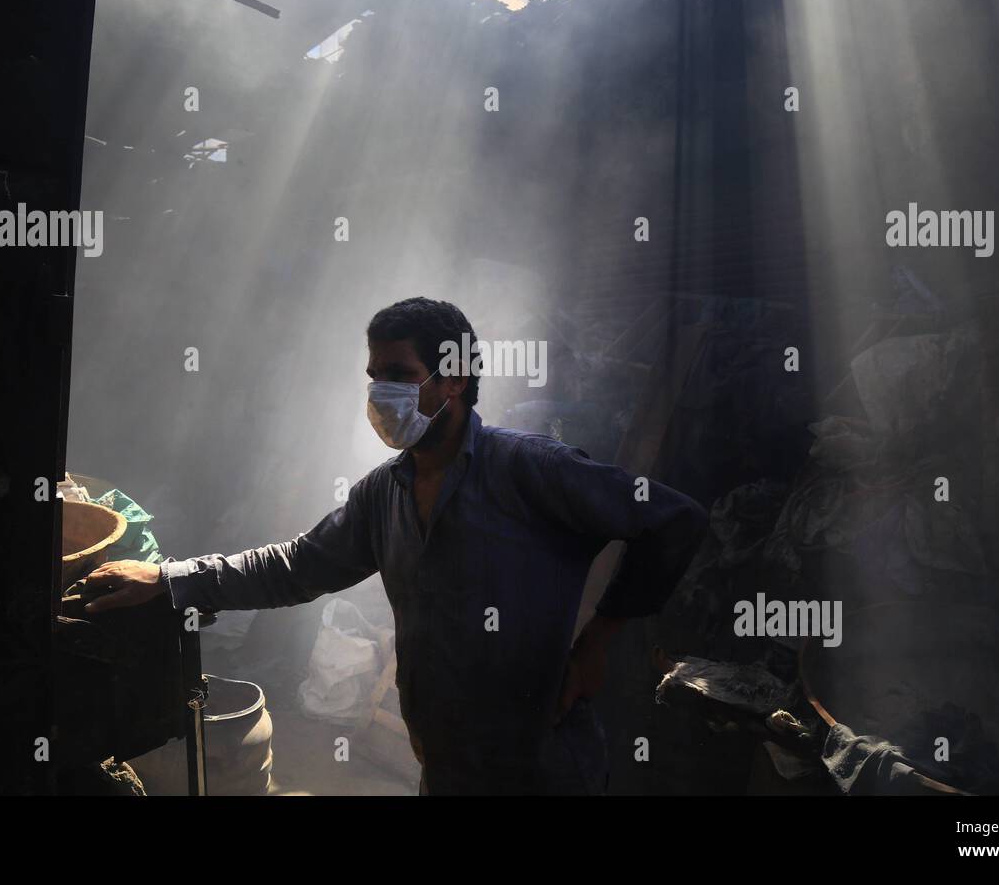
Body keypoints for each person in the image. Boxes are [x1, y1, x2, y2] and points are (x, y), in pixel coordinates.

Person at [82, 297, 709, 794]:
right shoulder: (384, 494)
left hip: (542, 764)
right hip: (443, 765)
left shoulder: (529, 469)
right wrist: (169, 580)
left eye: (400, 376)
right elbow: (296, 566)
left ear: (455, 378)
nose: (382, 393)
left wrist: (599, 641)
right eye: (375, 376)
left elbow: (674, 519)